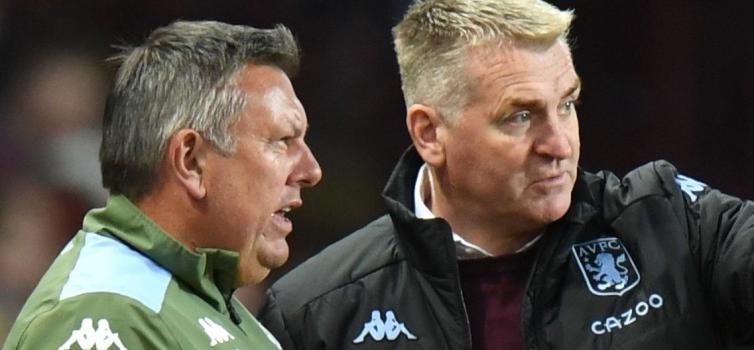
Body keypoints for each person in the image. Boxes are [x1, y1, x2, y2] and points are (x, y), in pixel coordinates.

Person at [259, 0, 754, 349]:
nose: (559, 145)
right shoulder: (316, 313)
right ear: (430, 134)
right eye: (520, 116)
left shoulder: (675, 225)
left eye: (567, 105)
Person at [3, 20, 321, 349]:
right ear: (191, 161)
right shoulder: (107, 314)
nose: (311, 171)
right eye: (282, 141)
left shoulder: (209, 308)